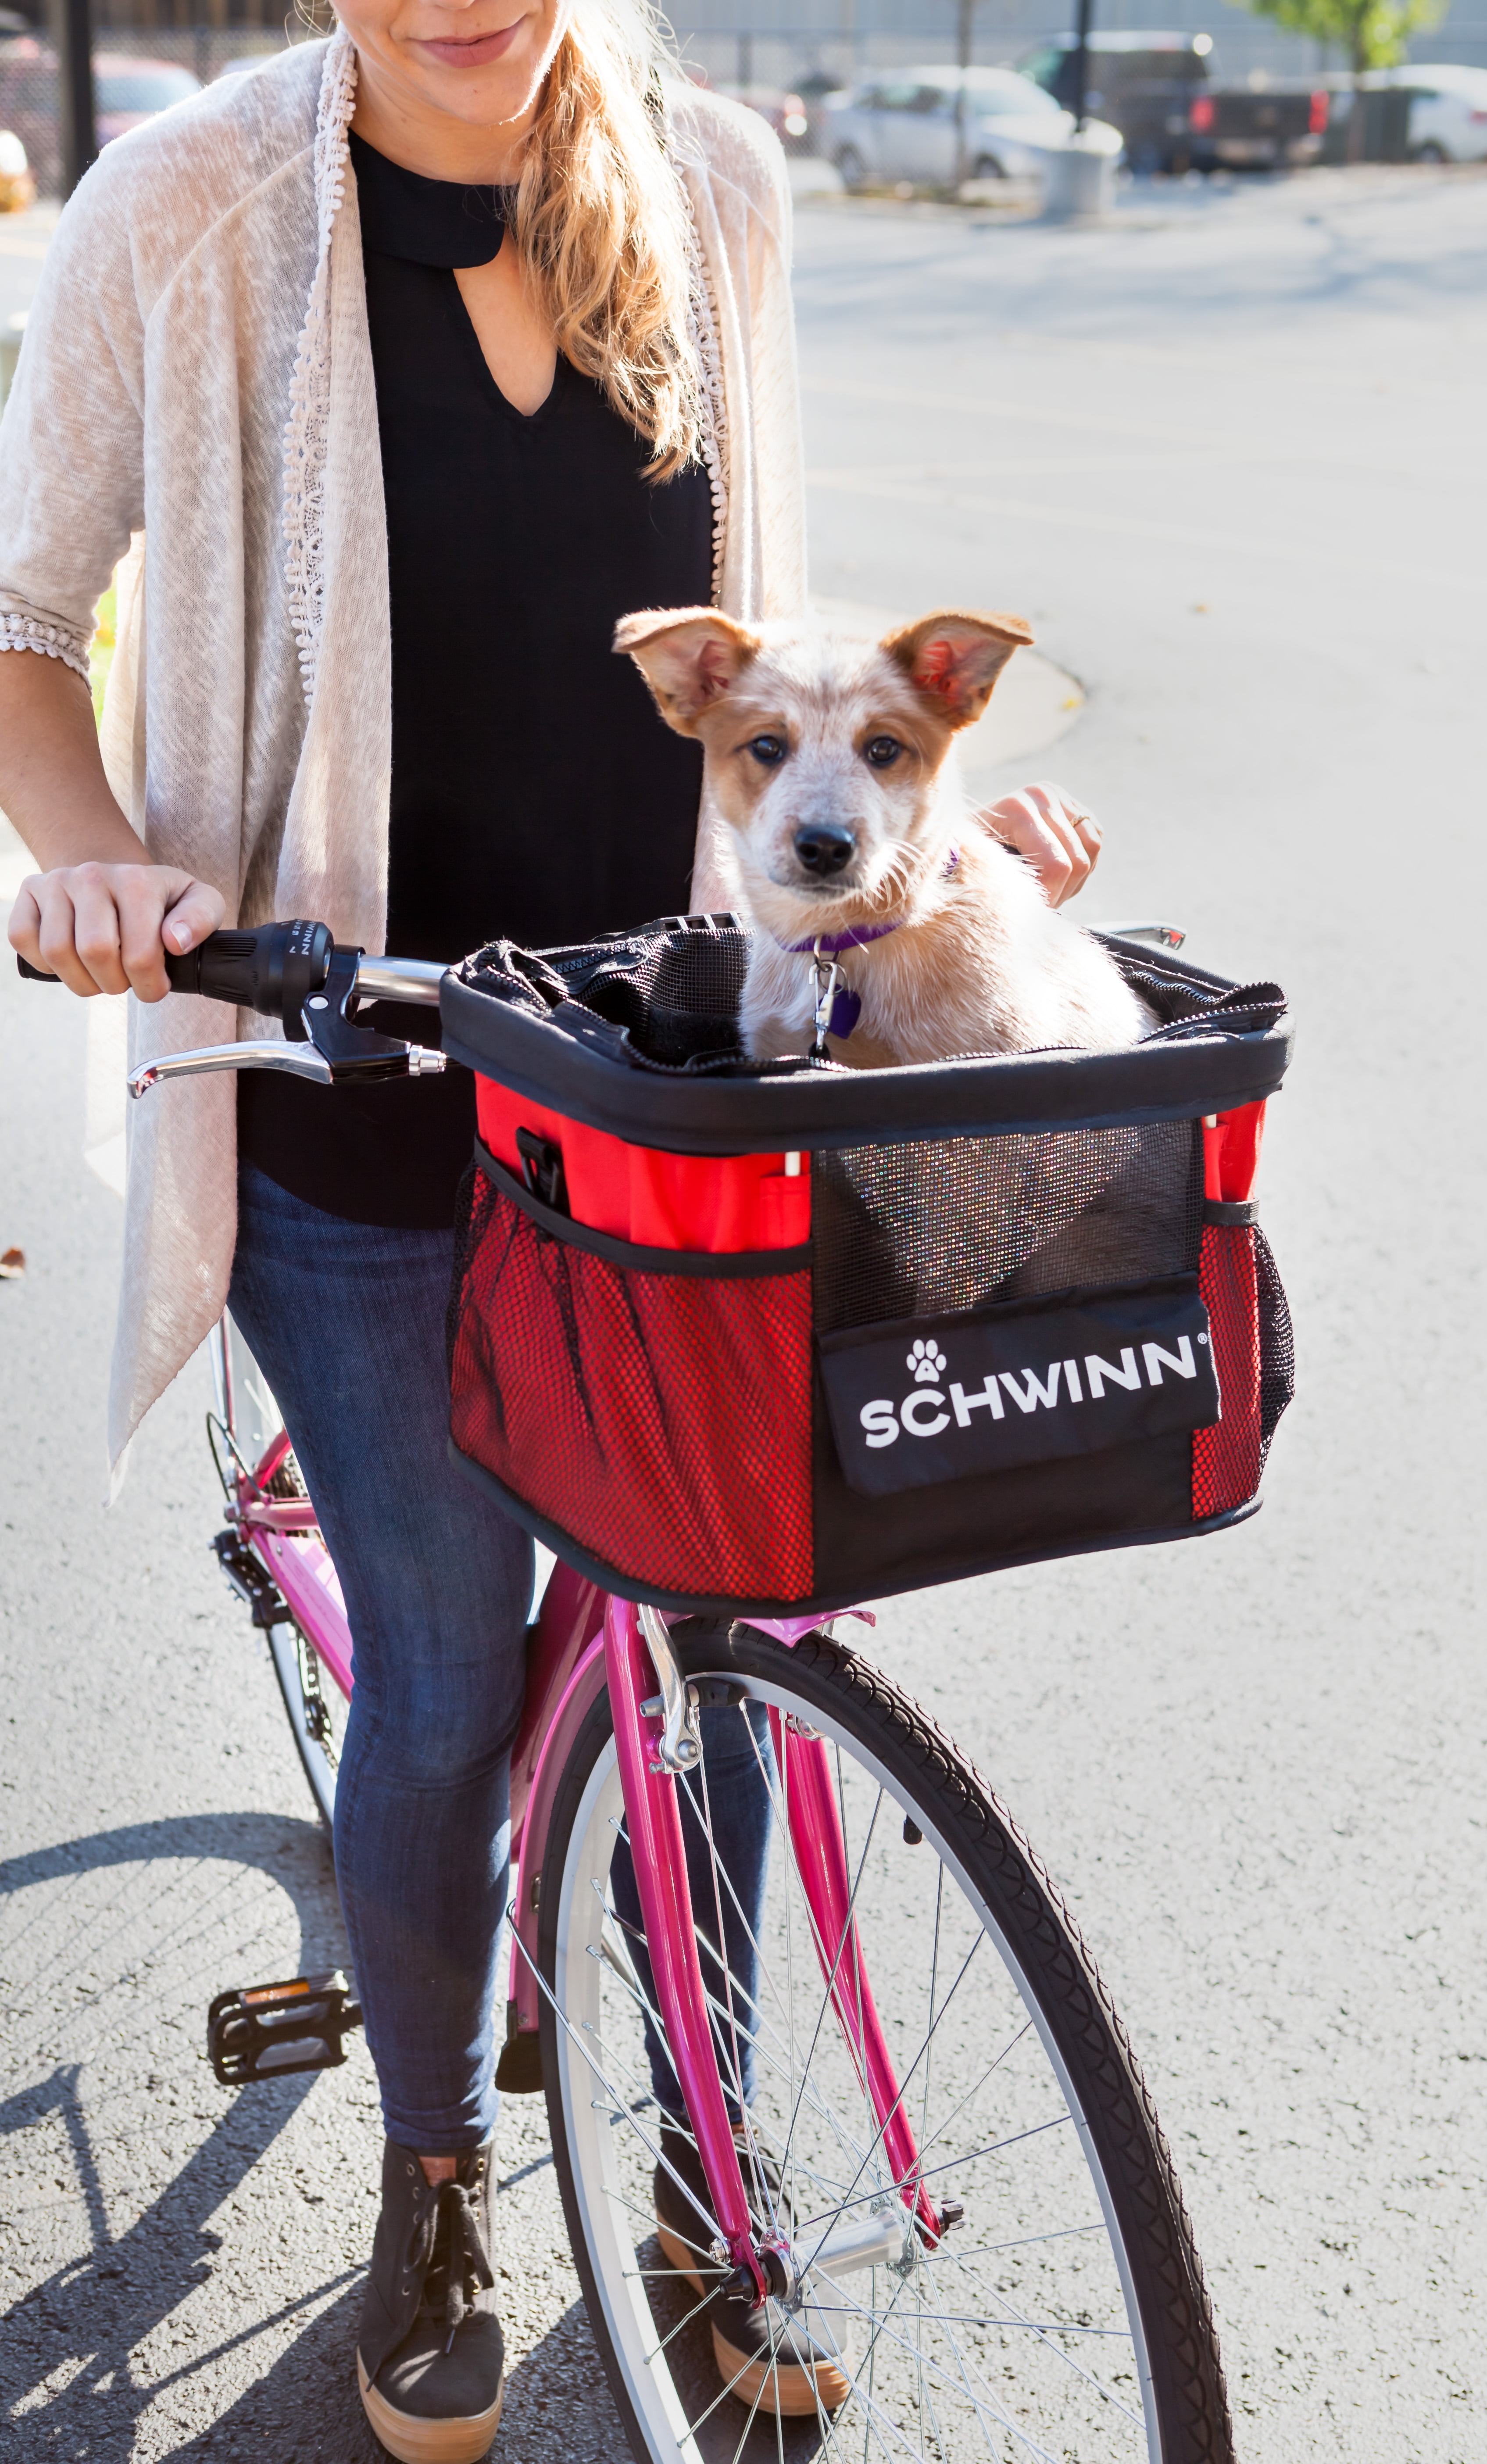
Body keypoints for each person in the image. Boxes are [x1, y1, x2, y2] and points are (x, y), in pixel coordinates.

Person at [0, 3, 1104, 2452]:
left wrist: (920, 853)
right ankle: (435, 2170)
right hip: (351, 1083)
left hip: (676, 1099)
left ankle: (710, 2178)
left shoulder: (714, 180)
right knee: (450, 1672)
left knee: (711, 1634)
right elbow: (19, 612)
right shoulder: (178, 211)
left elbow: (776, 652)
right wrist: (94, 858)